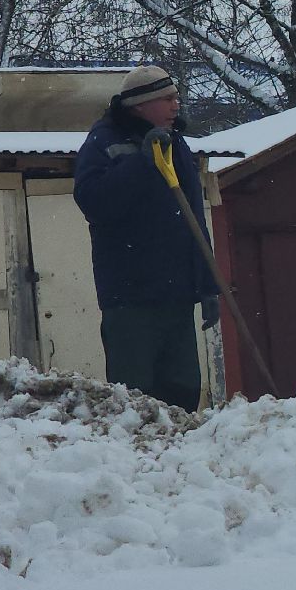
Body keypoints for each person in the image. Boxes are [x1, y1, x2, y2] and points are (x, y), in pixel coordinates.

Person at [73, 65, 219, 411]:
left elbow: (192, 219)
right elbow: (94, 202)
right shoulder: (104, 141)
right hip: (131, 296)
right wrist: (141, 163)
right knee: (135, 396)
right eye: (168, 99)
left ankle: (180, 457)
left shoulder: (176, 144)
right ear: (141, 104)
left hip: (177, 293)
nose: (176, 106)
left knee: (183, 390)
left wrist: (208, 283)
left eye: (176, 98)